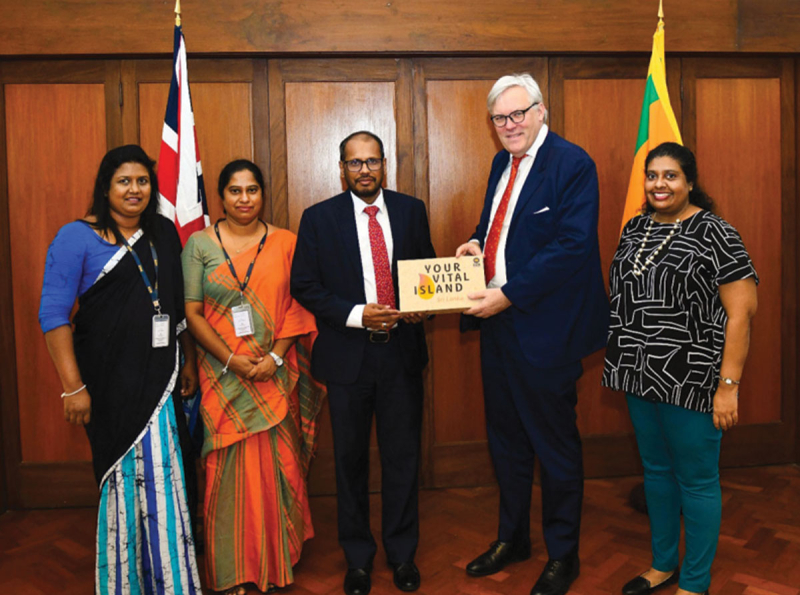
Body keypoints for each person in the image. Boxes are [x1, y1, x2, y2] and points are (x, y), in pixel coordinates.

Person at [455, 73, 609, 595]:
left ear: (541, 111)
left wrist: (510, 293)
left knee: (555, 447)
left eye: (518, 113)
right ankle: (513, 539)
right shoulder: (502, 163)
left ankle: (564, 555)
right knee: (507, 442)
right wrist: (475, 244)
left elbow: (572, 245)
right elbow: (499, 228)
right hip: (498, 327)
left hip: (546, 331)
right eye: (500, 117)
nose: (510, 125)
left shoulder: (572, 163)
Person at [39, 144, 202, 594]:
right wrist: (73, 388)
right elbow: (53, 315)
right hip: (108, 386)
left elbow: (175, 306)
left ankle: (171, 582)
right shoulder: (76, 237)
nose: (135, 190)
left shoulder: (163, 232)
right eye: (124, 181)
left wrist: (187, 359)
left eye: (142, 181)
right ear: (106, 187)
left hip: (161, 381)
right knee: (123, 483)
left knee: (168, 480)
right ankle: (125, 584)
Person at [603, 142, 758, 595]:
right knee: (656, 471)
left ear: (690, 182)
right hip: (637, 375)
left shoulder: (716, 233)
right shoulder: (635, 228)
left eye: (671, 175)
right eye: (652, 175)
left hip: (692, 381)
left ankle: (694, 582)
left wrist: (728, 387)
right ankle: (662, 565)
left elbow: (742, 314)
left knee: (697, 480)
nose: (660, 184)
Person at [291, 131, 436, 595]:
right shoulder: (318, 218)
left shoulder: (411, 210)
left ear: (384, 164)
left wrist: (423, 306)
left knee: (402, 458)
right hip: (348, 357)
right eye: (355, 163)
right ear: (342, 169)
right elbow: (304, 285)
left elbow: (427, 274)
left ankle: (402, 554)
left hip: (401, 354)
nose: (365, 171)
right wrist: (357, 314)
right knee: (349, 462)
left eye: (372, 161)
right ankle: (357, 559)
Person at [181, 160, 324, 595]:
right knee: (223, 473)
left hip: (273, 373)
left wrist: (275, 358)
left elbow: (300, 306)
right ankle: (231, 572)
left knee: (279, 468)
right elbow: (192, 312)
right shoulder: (199, 245)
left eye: (252, 190)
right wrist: (232, 360)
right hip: (222, 377)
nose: (244, 199)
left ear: (262, 194)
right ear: (221, 197)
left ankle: (275, 563)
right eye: (235, 190)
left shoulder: (286, 243)